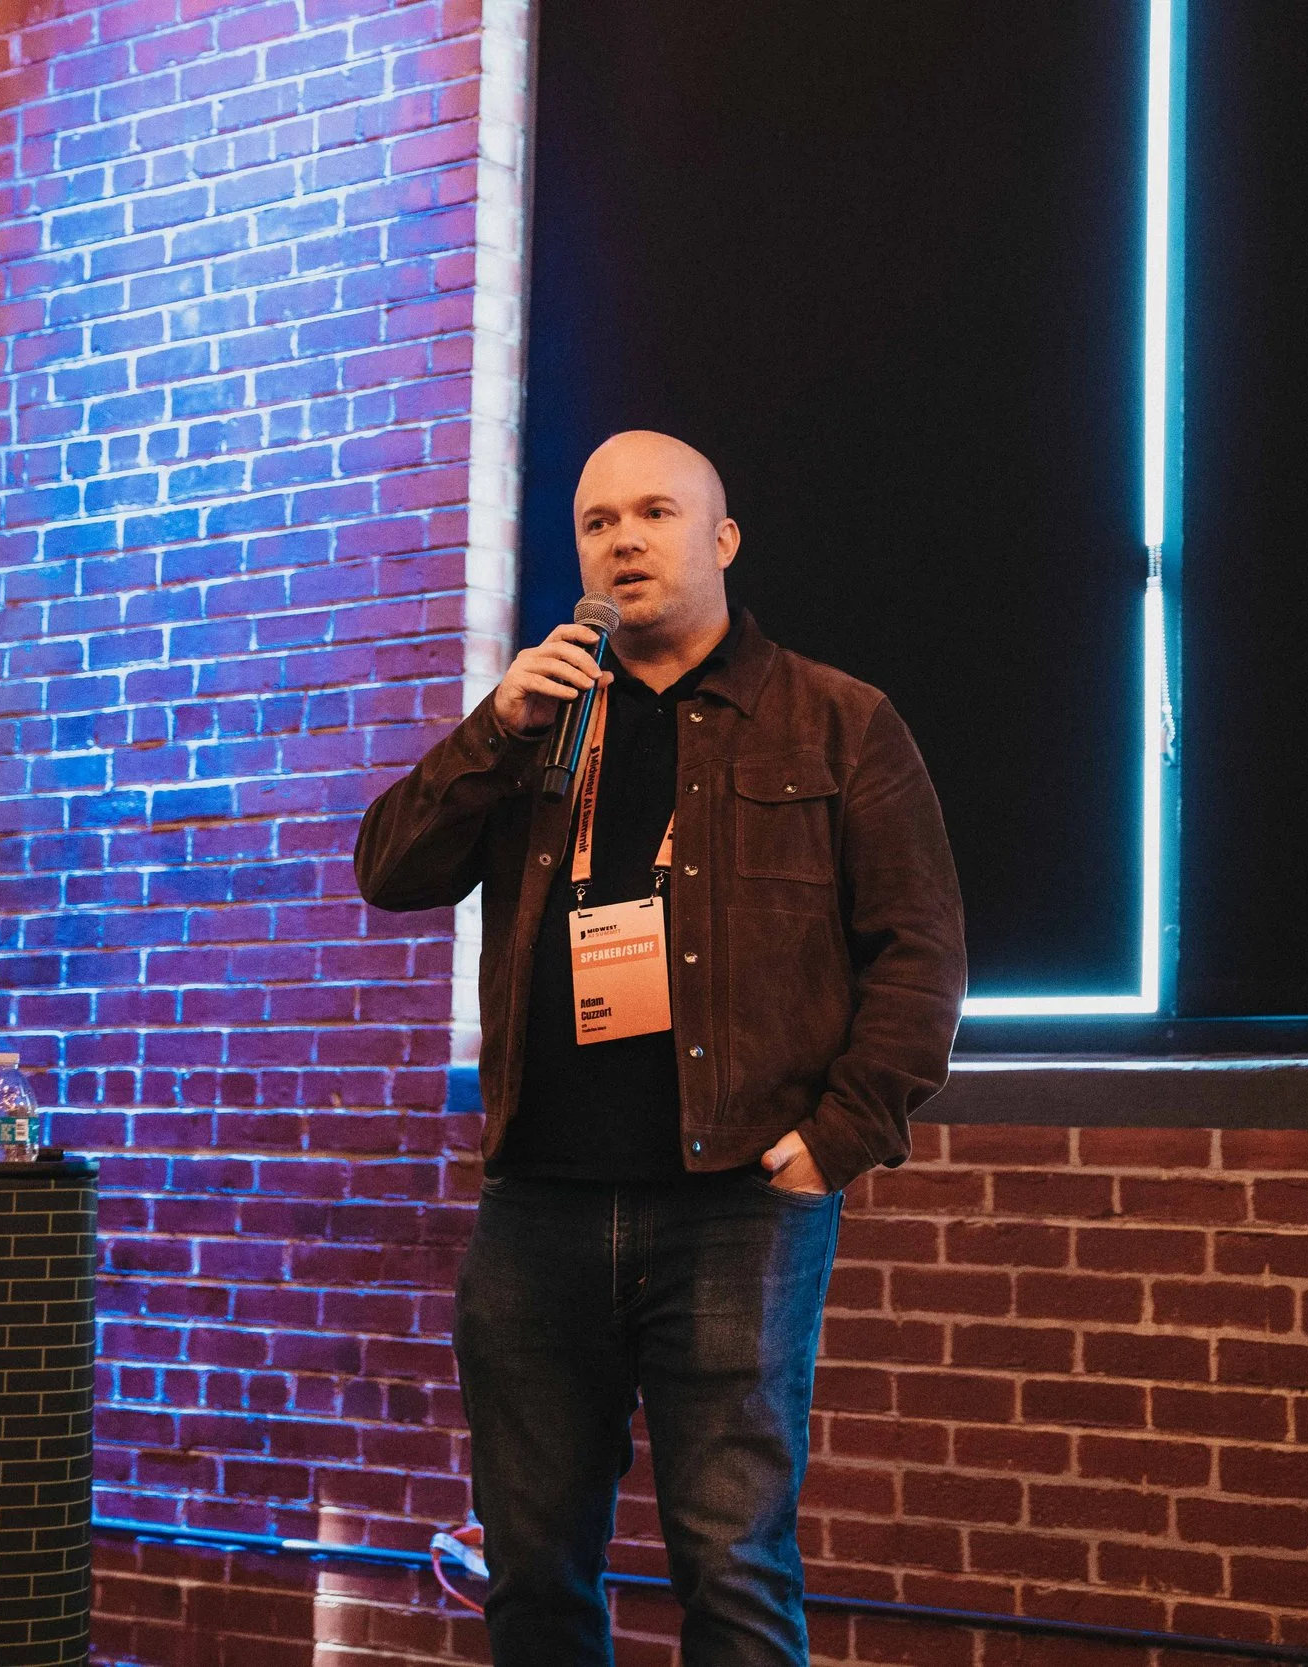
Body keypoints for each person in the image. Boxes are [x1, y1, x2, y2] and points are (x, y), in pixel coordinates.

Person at [354, 430, 967, 1666]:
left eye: (655, 512)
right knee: (529, 1569)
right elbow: (390, 870)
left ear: (722, 539)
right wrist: (496, 725)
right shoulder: (543, 720)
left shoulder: (839, 722)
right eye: (595, 521)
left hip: (737, 1200)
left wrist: (832, 1142)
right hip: (540, 1206)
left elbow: (920, 955)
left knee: (732, 1567)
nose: (623, 539)